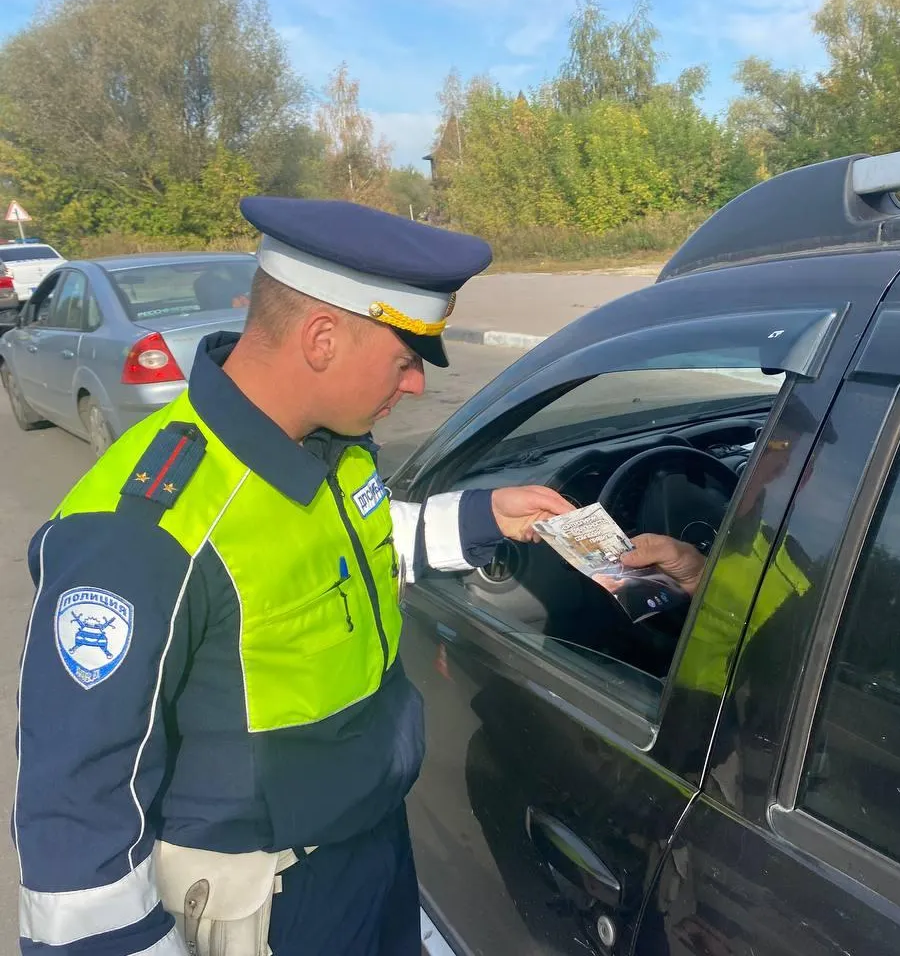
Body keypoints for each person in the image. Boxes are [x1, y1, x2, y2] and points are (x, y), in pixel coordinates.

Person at [12, 196, 575, 956]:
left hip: (372, 851)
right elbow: (77, 809)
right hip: (271, 902)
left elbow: (351, 549)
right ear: (319, 339)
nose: (413, 386)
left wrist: (482, 517)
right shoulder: (145, 526)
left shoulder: (328, 446)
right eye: (405, 360)